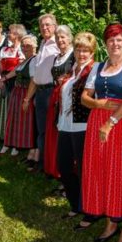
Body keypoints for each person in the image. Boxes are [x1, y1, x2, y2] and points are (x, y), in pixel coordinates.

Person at [80, 23, 122, 242]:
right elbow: (84, 98)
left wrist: (110, 122)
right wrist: (98, 104)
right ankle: (110, 223)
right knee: (102, 172)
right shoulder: (98, 66)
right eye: (110, 40)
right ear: (105, 44)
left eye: (119, 39)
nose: (115, 44)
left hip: (121, 123)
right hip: (96, 123)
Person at [56, 32, 96, 220]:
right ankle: (76, 203)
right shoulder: (73, 70)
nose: (81, 54)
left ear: (92, 52)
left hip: (82, 126)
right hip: (65, 125)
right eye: (79, 50)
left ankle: (89, 210)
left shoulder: (94, 70)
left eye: (86, 50)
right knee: (63, 166)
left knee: (83, 169)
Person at [23, 14, 60, 171]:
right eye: (42, 25)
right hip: (40, 92)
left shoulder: (58, 45)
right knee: (41, 130)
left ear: (55, 26)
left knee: (51, 131)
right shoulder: (43, 45)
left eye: (48, 25)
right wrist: (27, 98)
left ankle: (51, 165)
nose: (44, 28)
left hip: (52, 91)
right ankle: (43, 163)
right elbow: (36, 77)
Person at [44, 25, 75, 179]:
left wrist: (67, 79)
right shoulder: (57, 57)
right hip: (55, 96)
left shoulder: (74, 55)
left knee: (63, 132)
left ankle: (64, 172)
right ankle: (53, 168)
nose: (60, 40)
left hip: (68, 98)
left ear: (70, 38)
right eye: (57, 37)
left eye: (63, 37)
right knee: (53, 130)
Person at [0, 35, 38, 157]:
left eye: (28, 45)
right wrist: (3, 78)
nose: (25, 48)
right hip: (17, 92)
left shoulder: (34, 60)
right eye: (23, 46)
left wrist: (27, 98)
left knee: (23, 121)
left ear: (35, 46)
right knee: (14, 119)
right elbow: (16, 71)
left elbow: (33, 80)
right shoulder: (26, 60)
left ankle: (19, 145)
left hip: (25, 92)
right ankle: (11, 143)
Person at [0, 23, 24, 143]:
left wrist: (4, 78)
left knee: (14, 110)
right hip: (3, 80)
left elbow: (19, 68)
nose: (7, 34)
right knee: (2, 108)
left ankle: (14, 139)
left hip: (14, 81)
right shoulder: (5, 49)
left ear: (16, 35)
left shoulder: (21, 49)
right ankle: (2, 135)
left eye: (10, 32)